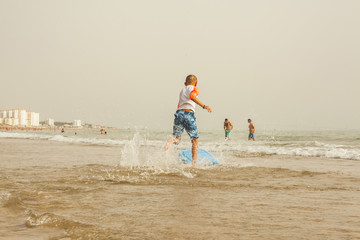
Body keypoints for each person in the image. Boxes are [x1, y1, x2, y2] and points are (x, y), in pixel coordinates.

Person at [164, 74, 212, 166]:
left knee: (177, 139)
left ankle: (172, 140)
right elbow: (192, 96)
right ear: (196, 83)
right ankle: (194, 164)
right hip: (189, 114)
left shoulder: (182, 90)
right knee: (195, 140)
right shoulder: (194, 89)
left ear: (185, 83)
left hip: (179, 114)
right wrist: (204, 106)